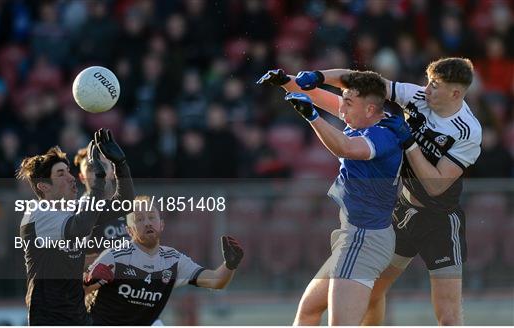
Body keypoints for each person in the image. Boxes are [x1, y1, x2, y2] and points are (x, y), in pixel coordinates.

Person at [286, 57, 482, 325]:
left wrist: (410, 143)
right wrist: (319, 77)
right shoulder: (417, 96)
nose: (426, 89)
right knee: (370, 294)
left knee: (448, 316)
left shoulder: (467, 131)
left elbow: (435, 186)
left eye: (434, 86)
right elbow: (364, 83)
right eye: (428, 82)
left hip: (439, 220)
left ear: (455, 93)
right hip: (401, 212)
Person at [257, 70, 403, 325]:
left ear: (369, 109)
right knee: (309, 310)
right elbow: (319, 97)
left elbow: (345, 147)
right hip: (361, 236)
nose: (341, 109)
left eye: (347, 103)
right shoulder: (371, 118)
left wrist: (312, 117)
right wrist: (285, 81)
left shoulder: (380, 136)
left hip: (364, 240)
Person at [17, 128, 135, 325]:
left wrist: (120, 165)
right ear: (43, 186)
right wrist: (97, 187)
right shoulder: (37, 214)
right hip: (49, 318)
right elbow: (80, 228)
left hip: (78, 315)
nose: (71, 178)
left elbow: (125, 204)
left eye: (69, 172)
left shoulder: (75, 209)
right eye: (61, 174)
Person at [83, 196, 244, 325]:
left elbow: (216, 281)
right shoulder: (115, 258)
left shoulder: (172, 260)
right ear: (129, 231)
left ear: (161, 225)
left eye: (152, 217)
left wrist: (230, 264)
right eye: (139, 219)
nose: (147, 223)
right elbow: (80, 291)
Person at [73, 146, 128, 269]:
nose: (99, 172)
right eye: (91, 168)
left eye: (102, 166)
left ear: (113, 173)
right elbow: (70, 261)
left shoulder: (126, 205)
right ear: (82, 177)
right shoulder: (79, 211)